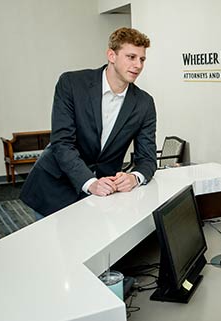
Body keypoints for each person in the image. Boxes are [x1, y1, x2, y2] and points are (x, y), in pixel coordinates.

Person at [20, 27, 157, 219]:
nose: (138, 65)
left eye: (142, 59)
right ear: (111, 55)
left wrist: (134, 177)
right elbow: (62, 143)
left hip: (103, 195)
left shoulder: (144, 103)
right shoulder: (71, 84)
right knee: (52, 247)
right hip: (55, 187)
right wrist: (90, 182)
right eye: (131, 57)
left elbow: (148, 158)